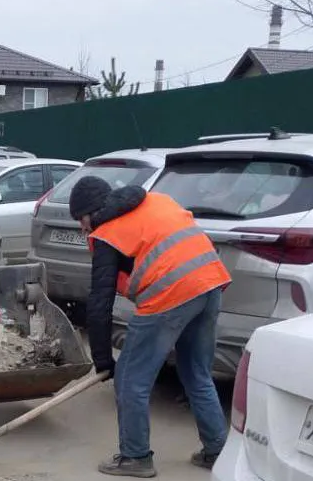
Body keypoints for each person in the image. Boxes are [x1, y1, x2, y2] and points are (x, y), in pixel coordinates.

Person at [68, 176, 231, 478]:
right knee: (197, 373)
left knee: (131, 380)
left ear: (93, 212)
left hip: (170, 292)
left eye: (81, 218)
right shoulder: (157, 200)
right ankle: (217, 450)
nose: (82, 227)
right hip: (210, 283)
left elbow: (100, 302)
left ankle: (135, 457)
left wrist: (103, 359)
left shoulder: (108, 232)